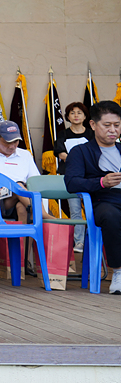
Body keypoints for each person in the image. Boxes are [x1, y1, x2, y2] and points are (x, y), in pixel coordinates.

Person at [63, 101, 121, 294]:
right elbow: (72, 183)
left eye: (117, 125)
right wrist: (101, 182)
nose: (113, 130)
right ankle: (118, 272)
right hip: (103, 202)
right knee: (111, 216)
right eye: (107, 125)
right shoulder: (80, 152)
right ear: (93, 125)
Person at [0, 121, 41, 224]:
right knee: (17, 185)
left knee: (22, 207)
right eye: (8, 142)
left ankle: (23, 239)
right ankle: (41, 213)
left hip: (20, 200)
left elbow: (36, 181)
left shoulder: (25, 155)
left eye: (15, 142)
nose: (12, 146)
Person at [55, 102, 93, 252]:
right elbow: (61, 153)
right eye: (72, 113)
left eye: (79, 112)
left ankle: (93, 240)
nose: (76, 115)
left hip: (90, 177)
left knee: (92, 209)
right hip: (70, 176)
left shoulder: (91, 134)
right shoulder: (63, 134)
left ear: (85, 116)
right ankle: (79, 242)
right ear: (67, 117)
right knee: (75, 210)